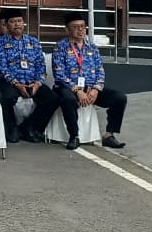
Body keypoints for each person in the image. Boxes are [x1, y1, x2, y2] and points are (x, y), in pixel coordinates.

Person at [52, 11, 128, 150]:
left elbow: (100, 71)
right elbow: (59, 74)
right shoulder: (60, 47)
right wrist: (78, 90)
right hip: (68, 88)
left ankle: (109, 135)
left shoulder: (91, 47)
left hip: (91, 89)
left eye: (82, 26)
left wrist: (96, 89)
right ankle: (74, 136)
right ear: (67, 30)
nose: (80, 30)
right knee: (68, 100)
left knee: (119, 98)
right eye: (76, 27)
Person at [0, 8, 58, 144]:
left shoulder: (33, 42)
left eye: (19, 21)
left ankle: (30, 127)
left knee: (52, 98)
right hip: (11, 82)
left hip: (32, 82)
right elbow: (1, 67)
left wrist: (38, 83)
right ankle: (12, 129)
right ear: (6, 25)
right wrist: (17, 84)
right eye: (13, 22)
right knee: (5, 99)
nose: (17, 24)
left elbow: (41, 65)